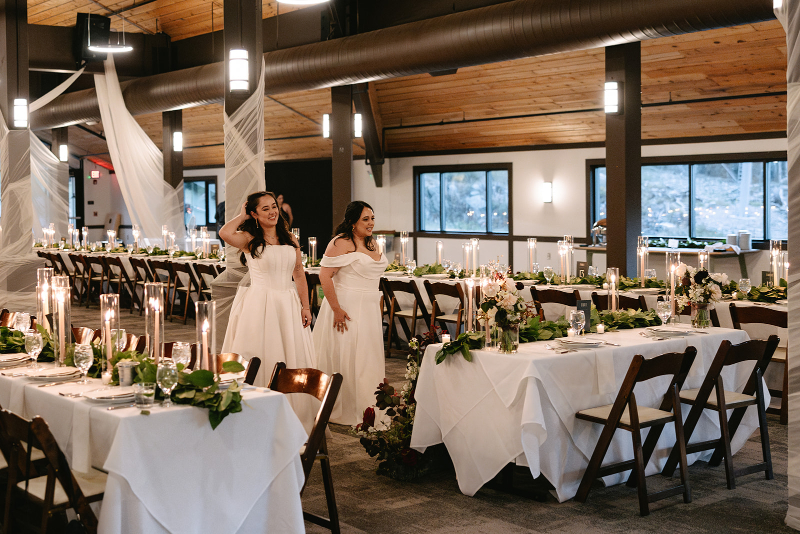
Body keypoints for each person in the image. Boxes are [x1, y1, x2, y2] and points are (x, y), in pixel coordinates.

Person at [219, 191, 315, 390]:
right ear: (254, 214)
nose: (272, 211)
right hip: (260, 302)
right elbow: (225, 233)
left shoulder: (289, 238)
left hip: (288, 301)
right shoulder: (248, 238)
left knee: (290, 351)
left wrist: (306, 306)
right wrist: (242, 215)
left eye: (274, 206)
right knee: (262, 350)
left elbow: (298, 272)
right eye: (265, 208)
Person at [313, 201, 388, 425]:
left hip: (369, 307)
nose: (371, 223)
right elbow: (324, 277)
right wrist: (336, 309)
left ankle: (366, 404)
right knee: (346, 354)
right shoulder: (340, 243)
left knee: (367, 354)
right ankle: (341, 404)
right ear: (352, 222)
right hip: (346, 306)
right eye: (365, 219)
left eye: (372, 218)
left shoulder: (373, 244)